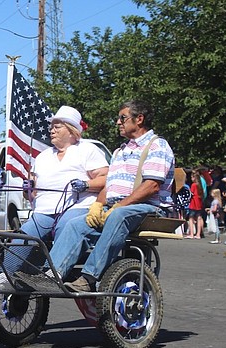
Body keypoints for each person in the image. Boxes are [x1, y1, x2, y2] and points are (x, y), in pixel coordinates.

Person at [47, 99, 175, 292]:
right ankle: (50, 275)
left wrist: (118, 206)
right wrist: (97, 205)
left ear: (139, 119)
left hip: (151, 208)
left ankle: (88, 278)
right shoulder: (120, 150)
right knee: (76, 224)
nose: (118, 122)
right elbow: (110, 185)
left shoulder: (157, 146)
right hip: (119, 207)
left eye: (122, 118)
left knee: (118, 216)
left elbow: (151, 187)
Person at [0, 105, 109, 286]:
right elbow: (33, 190)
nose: (51, 130)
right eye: (51, 126)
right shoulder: (43, 157)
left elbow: (106, 178)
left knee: (66, 225)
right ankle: (4, 275)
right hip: (44, 210)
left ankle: (49, 274)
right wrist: (28, 187)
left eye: (57, 126)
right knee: (25, 234)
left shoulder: (88, 150)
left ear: (71, 131)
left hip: (77, 206)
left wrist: (86, 184)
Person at [186, 170, 205, 239]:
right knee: (199, 218)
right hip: (199, 203)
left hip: (193, 203)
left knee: (191, 218)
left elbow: (191, 193)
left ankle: (191, 234)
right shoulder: (200, 185)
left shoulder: (193, 185)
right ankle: (198, 234)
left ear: (194, 178)